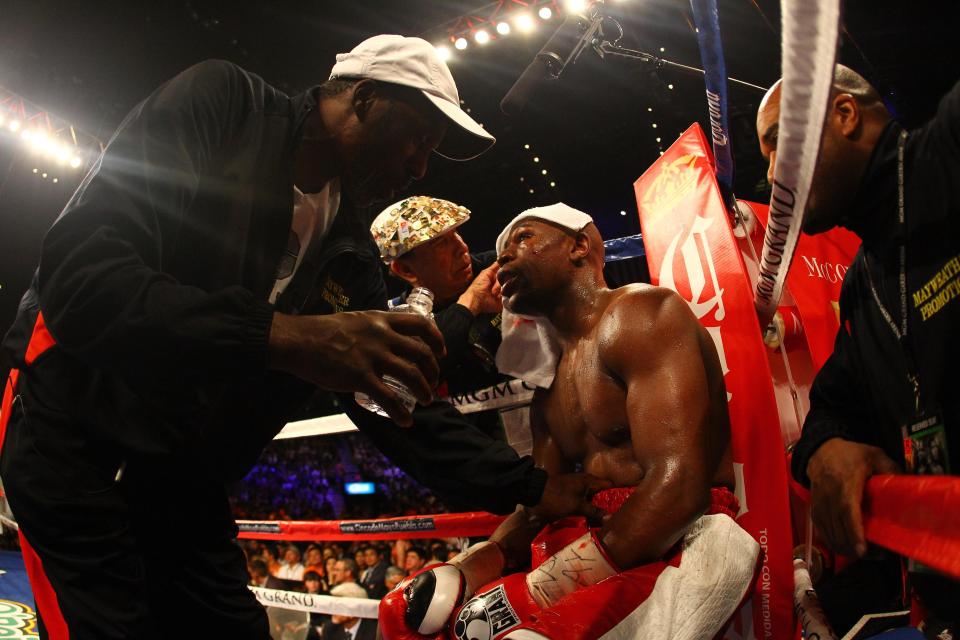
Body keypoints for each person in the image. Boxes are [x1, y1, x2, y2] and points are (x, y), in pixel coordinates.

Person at [0, 34, 607, 638]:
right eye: (417, 139)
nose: (419, 165)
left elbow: (394, 403)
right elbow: (81, 281)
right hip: (77, 436)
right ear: (365, 98)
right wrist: (290, 337)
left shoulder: (351, 253)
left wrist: (529, 486)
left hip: (184, 480)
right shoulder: (225, 104)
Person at [380, 204, 760, 639]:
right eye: (501, 250)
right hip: (589, 538)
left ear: (579, 246)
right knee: (405, 614)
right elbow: (544, 498)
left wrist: (544, 586)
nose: (502, 257)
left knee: (497, 631)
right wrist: (472, 566)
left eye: (523, 238)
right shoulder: (549, 381)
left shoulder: (641, 312)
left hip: (674, 539)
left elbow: (680, 486)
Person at [757, 65, 959, 632]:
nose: (772, 175)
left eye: (779, 143)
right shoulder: (865, 281)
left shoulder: (946, 155)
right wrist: (826, 452)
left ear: (844, 116)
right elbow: (831, 409)